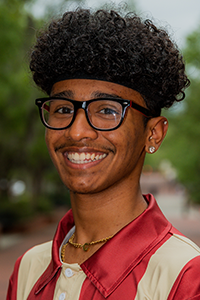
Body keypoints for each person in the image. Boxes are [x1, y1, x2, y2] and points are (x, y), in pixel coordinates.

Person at [7, 8, 200, 300]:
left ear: (153, 134)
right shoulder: (29, 269)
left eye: (107, 110)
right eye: (62, 109)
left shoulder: (184, 277)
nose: (77, 132)